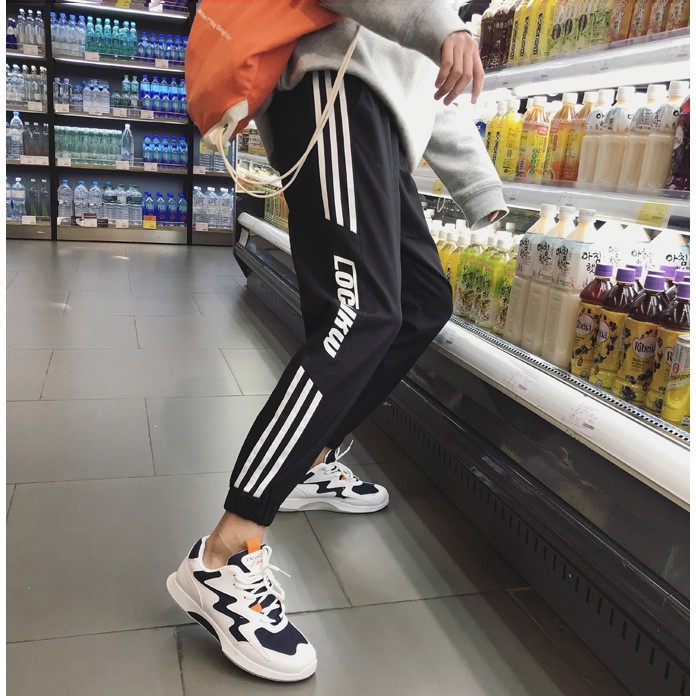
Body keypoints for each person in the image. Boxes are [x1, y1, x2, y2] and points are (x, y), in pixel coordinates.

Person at [167, 1, 507, 682]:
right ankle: (223, 555)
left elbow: (420, 74)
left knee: (422, 304)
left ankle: (310, 459)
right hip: (335, 90)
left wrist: (480, 186)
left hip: (382, 119)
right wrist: (443, 26)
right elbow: (416, 35)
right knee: (359, 314)